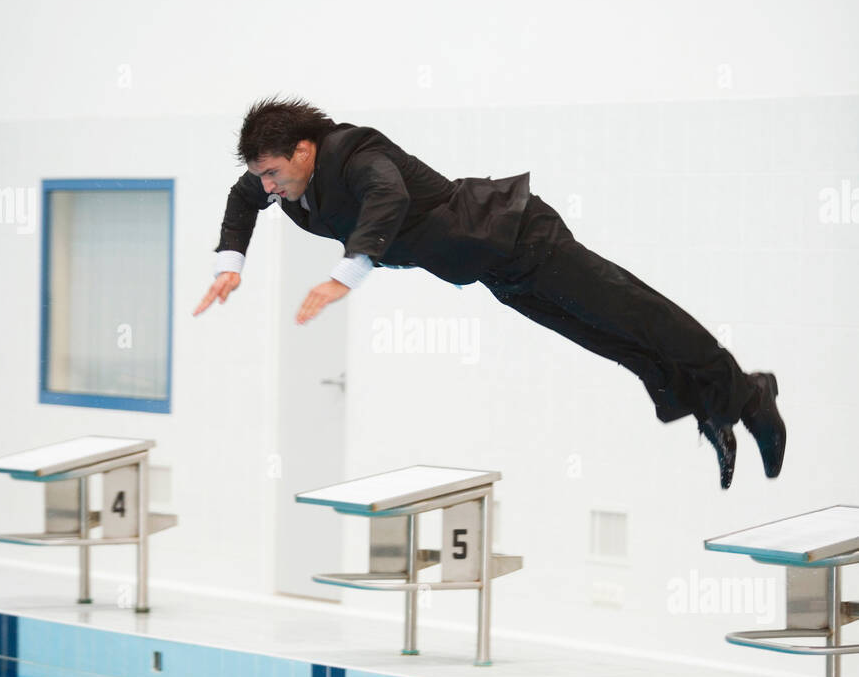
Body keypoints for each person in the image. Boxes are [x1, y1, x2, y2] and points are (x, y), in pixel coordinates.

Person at [194, 97, 786, 489]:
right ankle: (714, 408)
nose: (267, 187)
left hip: (521, 234)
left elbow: (389, 200)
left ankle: (749, 393)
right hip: (496, 269)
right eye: (262, 176)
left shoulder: (355, 150)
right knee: (614, 342)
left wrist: (344, 275)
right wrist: (230, 262)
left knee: (638, 315)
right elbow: (241, 199)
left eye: (273, 172)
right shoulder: (279, 184)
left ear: (304, 149)